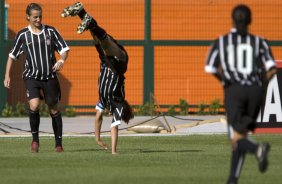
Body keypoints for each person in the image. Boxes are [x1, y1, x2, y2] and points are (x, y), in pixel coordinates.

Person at [205, 4, 276, 184]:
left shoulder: (223, 41)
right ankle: (233, 179)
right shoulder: (260, 41)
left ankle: (258, 149)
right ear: (250, 20)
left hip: (234, 90)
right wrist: (262, 86)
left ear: (232, 20)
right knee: (240, 135)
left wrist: (223, 80)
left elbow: (210, 67)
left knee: (236, 138)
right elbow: (271, 69)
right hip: (255, 91)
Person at [61, 2, 134, 154]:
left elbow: (98, 117)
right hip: (119, 64)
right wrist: (113, 151)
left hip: (106, 61)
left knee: (96, 33)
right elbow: (114, 127)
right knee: (105, 41)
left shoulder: (105, 101)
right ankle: (86, 19)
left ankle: (81, 12)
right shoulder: (117, 103)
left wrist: (97, 138)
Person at [4, 3, 70, 153]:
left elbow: (64, 49)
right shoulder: (22, 35)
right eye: (35, 17)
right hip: (31, 77)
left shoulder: (51, 31)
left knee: (53, 108)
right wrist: (7, 75)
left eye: (40, 16)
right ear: (28, 17)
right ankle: (35, 141)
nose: (38, 19)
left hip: (49, 76)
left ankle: (58, 144)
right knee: (34, 105)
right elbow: (11, 56)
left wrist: (61, 60)